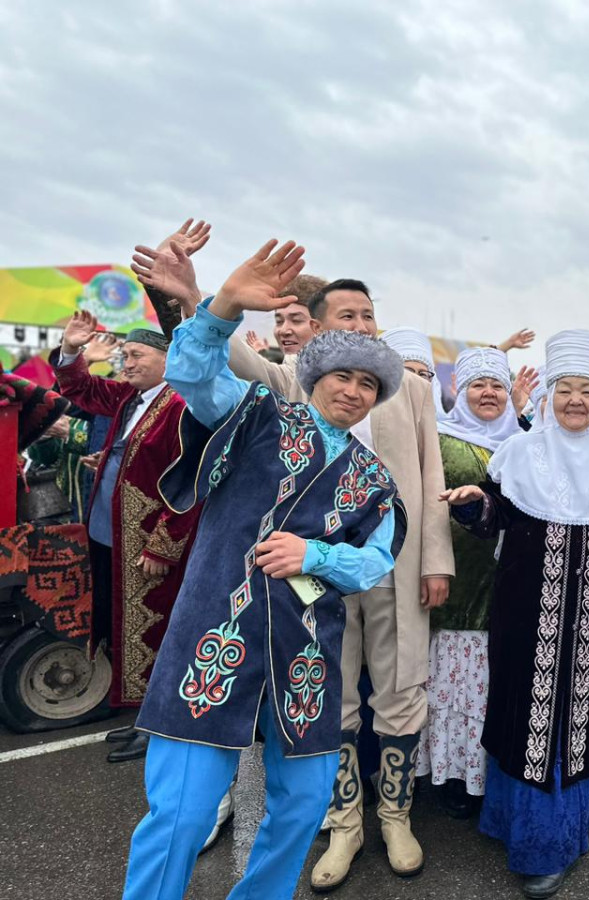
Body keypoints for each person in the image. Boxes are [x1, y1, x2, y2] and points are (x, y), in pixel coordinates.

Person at [133, 229, 454, 887]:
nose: (354, 390)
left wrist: (317, 554)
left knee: (304, 807)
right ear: (313, 374)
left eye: (369, 382)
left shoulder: (373, 477)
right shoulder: (256, 414)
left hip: (307, 654)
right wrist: (220, 305)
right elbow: (193, 372)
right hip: (214, 638)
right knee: (181, 817)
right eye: (343, 375)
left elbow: (374, 560)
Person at [442, 329, 589, 899]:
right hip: (526, 615)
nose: (576, 400)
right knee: (527, 711)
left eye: (588, 391)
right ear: (548, 394)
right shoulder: (518, 452)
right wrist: (477, 507)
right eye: (565, 389)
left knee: (585, 710)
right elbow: (495, 508)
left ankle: (565, 830)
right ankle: (525, 832)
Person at [52, 314, 203, 763]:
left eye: (137, 355)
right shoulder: (131, 398)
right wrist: (72, 351)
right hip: (108, 533)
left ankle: (159, 729)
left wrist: (165, 544)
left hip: (147, 543)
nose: (126, 362)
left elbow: (191, 482)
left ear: (167, 359)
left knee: (154, 633)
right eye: (125, 355)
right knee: (122, 627)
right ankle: (140, 719)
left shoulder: (183, 406)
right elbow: (80, 390)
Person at [416, 346, 529, 818]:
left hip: (512, 581)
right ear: (458, 391)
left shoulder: (526, 440)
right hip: (459, 582)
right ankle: (453, 776)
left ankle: (492, 774)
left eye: (497, 385)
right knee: (458, 683)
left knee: (496, 683)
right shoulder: (441, 439)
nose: (488, 393)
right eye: (478, 385)